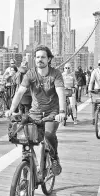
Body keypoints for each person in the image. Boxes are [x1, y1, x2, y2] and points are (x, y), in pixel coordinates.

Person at [6, 45, 66, 176]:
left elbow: (61, 93)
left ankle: (54, 158)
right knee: (25, 137)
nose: (40, 60)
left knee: (49, 135)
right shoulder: (30, 74)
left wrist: (62, 112)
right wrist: (11, 109)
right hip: (35, 113)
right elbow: (20, 92)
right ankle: (26, 171)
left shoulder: (55, 74)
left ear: (49, 59)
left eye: (43, 57)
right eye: (38, 57)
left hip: (52, 113)